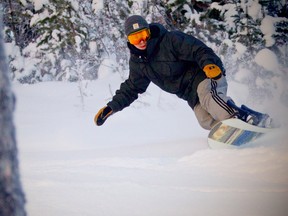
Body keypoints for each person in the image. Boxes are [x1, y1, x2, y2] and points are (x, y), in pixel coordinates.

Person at [94, 15, 271, 130]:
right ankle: (246, 125)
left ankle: (243, 119)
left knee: (211, 100)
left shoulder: (170, 40)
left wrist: (209, 65)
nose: (141, 41)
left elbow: (198, 50)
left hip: (206, 76)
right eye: (135, 38)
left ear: (149, 32)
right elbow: (131, 88)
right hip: (190, 94)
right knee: (205, 121)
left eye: (143, 35)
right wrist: (111, 108)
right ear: (129, 40)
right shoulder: (139, 63)